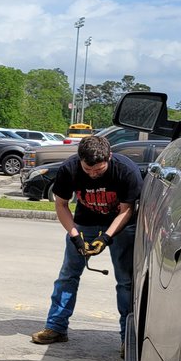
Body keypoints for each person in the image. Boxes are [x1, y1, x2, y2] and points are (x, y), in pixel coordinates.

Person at [30, 134, 141, 348]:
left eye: (99, 170)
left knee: (125, 281)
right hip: (85, 223)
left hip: (121, 225)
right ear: (80, 159)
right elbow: (61, 205)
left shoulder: (126, 170)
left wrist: (106, 237)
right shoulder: (69, 169)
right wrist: (75, 236)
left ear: (109, 157)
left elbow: (126, 211)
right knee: (68, 275)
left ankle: (127, 339)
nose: (92, 174)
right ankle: (56, 327)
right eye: (87, 169)